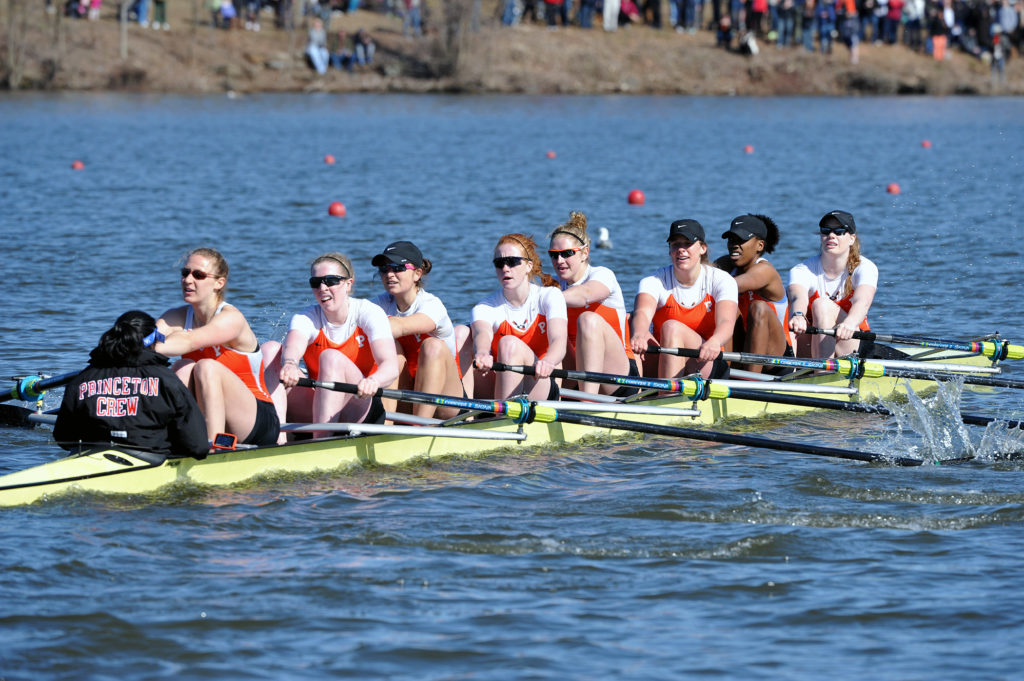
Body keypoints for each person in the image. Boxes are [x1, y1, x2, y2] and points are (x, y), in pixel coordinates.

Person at [153, 247, 280, 446]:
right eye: (185, 273)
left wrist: (145, 347)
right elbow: (148, 337)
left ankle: (214, 447)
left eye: (198, 275)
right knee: (183, 367)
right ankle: (172, 441)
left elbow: (188, 341)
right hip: (209, 411)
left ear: (219, 283)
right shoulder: (175, 316)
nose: (187, 280)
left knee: (206, 366)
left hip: (258, 420)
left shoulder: (231, 318)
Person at [269, 252, 399, 434]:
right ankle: (277, 438)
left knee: (331, 357)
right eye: (316, 282)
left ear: (348, 284)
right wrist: (290, 364)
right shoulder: (305, 317)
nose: (322, 288)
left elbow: (391, 367)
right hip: (318, 402)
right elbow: (293, 346)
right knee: (270, 350)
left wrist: (373, 381)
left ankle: (320, 440)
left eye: (331, 281)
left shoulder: (369, 313)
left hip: (359, 402)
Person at [53, 311, 209, 458]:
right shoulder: (167, 380)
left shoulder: (81, 380)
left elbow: (64, 438)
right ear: (153, 341)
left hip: (88, 457)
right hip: (150, 460)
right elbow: (198, 446)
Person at [630, 219, 739, 379]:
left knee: (672, 327)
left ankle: (667, 396)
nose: (681, 249)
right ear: (669, 251)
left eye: (687, 243)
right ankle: (634, 392)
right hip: (666, 357)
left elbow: (726, 323)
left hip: (707, 360)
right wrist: (639, 334)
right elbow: (643, 313)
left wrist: (715, 341)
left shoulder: (722, 280)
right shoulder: (654, 281)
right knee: (628, 321)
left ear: (703, 248)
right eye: (675, 244)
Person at [369, 241, 463, 420]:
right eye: (384, 269)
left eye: (397, 268)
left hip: (446, 401)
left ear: (417, 274)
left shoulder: (432, 305)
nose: (389, 274)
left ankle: (421, 426)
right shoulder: (378, 305)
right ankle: (384, 429)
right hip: (406, 397)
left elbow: (400, 326)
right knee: (392, 349)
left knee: (432, 346)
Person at [548, 211, 636, 395]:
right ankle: (549, 399)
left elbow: (585, 294)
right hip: (575, 370)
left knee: (588, 319)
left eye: (567, 253)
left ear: (584, 252)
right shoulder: (551, 285)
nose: (559, 261)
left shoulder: (602, 275)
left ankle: (587, 401)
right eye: (554, 255)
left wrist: (542, 299)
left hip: (618, 375)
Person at [471, 234, 568, 401]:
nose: (505, 268)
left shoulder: (550, 296)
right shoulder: (485, 307)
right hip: (498, 386)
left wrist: (548, 361)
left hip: (542, 382)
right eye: (499, 263)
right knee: (460, 333)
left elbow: (559, 340)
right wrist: (481, 353)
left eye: (513, 261)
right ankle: (469, 415)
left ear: (529, 266)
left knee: (509, 344)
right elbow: (482, 334)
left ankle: (503, 419)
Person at [787, 210, 878, 358]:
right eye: (826, 231)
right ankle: (790, 370)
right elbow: (798, 297)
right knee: (787, 316)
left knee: (822, 304)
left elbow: (863, 301)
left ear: (852, 239)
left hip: (852, 342)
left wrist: (849, 322)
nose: (831, 235)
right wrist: (798, 315)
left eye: (839, 231)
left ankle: (821, 374)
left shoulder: (865, 268)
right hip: (812, 343)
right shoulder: (802, 270)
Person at [713, 214, 792, 370]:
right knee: (730, 309)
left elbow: (730, 286)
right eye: (731, 239)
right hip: (743, 348)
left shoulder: (765, 271)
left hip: (775, 359)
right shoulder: (726, 264)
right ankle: (723, 374)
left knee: (758, 307)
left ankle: (750, 384)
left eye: (741, 240)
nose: (734, 245)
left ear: (760, 245)